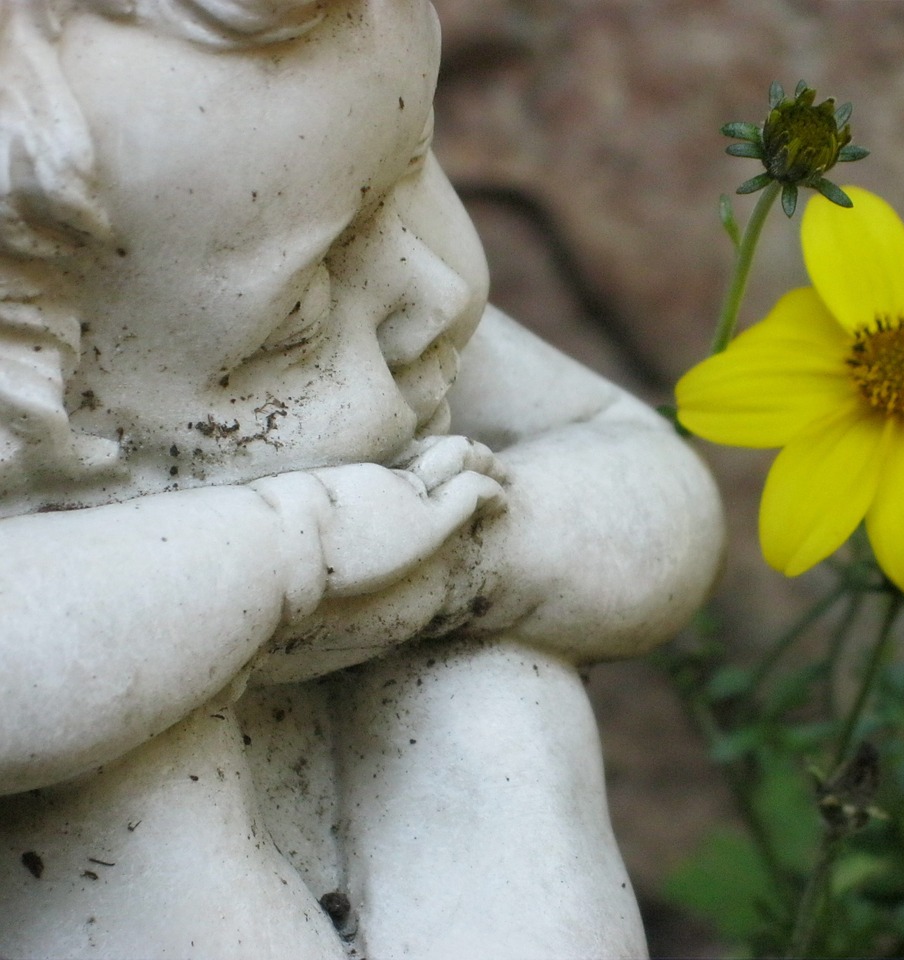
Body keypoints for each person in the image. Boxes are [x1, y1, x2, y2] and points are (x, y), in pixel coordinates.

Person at [0, 1, 724, 956]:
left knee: (487, 691)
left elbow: (654, 482)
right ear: (45, 415)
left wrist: (481, 557)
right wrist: (295, 550)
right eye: (300, 309)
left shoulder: (412, 341)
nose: (436, 289)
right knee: (135, 792)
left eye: (414, 178)